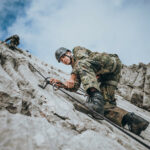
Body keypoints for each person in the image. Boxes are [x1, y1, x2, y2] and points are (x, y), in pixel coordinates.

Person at [50, 46, 149, 135]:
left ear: (68, 52)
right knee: (104, 106)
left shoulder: (77, 51)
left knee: (82, 66)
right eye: (61, 60)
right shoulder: (77, 69)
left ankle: (96, 102)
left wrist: (72, 77)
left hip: (111, 63)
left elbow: (82, 60)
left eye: (63, 57)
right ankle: (134, 122)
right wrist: (62, 84)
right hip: (108, 77)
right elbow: (75, 86)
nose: (63, 60)